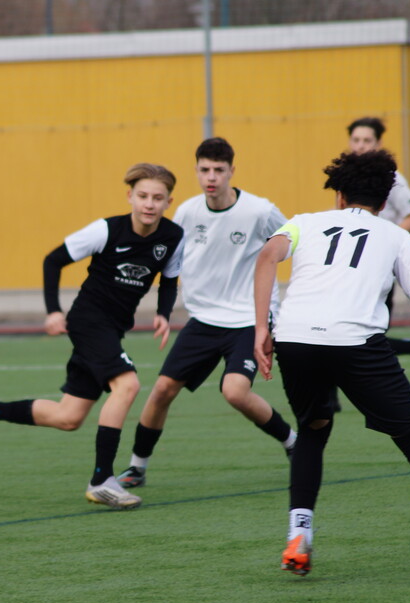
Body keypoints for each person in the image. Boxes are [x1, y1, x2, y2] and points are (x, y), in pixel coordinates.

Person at [252, 149, 410, 582]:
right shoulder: (396, 236)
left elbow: (266, 258)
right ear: (385, 202)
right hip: (356, 343)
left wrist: (262, 327)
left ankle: (298, 536)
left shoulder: (304, 222)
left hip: (295, 339)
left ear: (339, 195)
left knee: (313, 429)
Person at [0, 163, 184, 510]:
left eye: (157, 198)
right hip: (89, 321)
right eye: (142, 196)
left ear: (168, 201)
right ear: (130, 196)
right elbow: (53, 260)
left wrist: (164, 314)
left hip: (112, 328)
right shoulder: (106, 230)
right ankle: (102, 481)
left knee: (69, 417)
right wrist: (53, 310)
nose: (149, 204)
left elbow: (169, 279)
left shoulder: (173, 236)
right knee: (128, 385)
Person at [113, 138, 296, 489]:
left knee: (235, 392)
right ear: (196, 171)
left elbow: (292, 244)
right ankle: (137, 467)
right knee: (162, 389)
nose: (211, 177)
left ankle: (293, 443)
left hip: (247, 319)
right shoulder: (187, 212)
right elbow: (170, 261)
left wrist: (278, 310)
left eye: (219, 170)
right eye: (204, 170)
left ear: (231, 171)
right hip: (204, 320)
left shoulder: (259, 211)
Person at [346, 117, 410, 377]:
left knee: (363, 334)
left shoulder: (390, 178)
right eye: (356, 140)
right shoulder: (348, 176)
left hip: (377, 267)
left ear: (378, 143)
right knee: (348, 330)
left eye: (367, 140)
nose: (360, 145)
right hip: (351, 265)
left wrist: (383, 242)